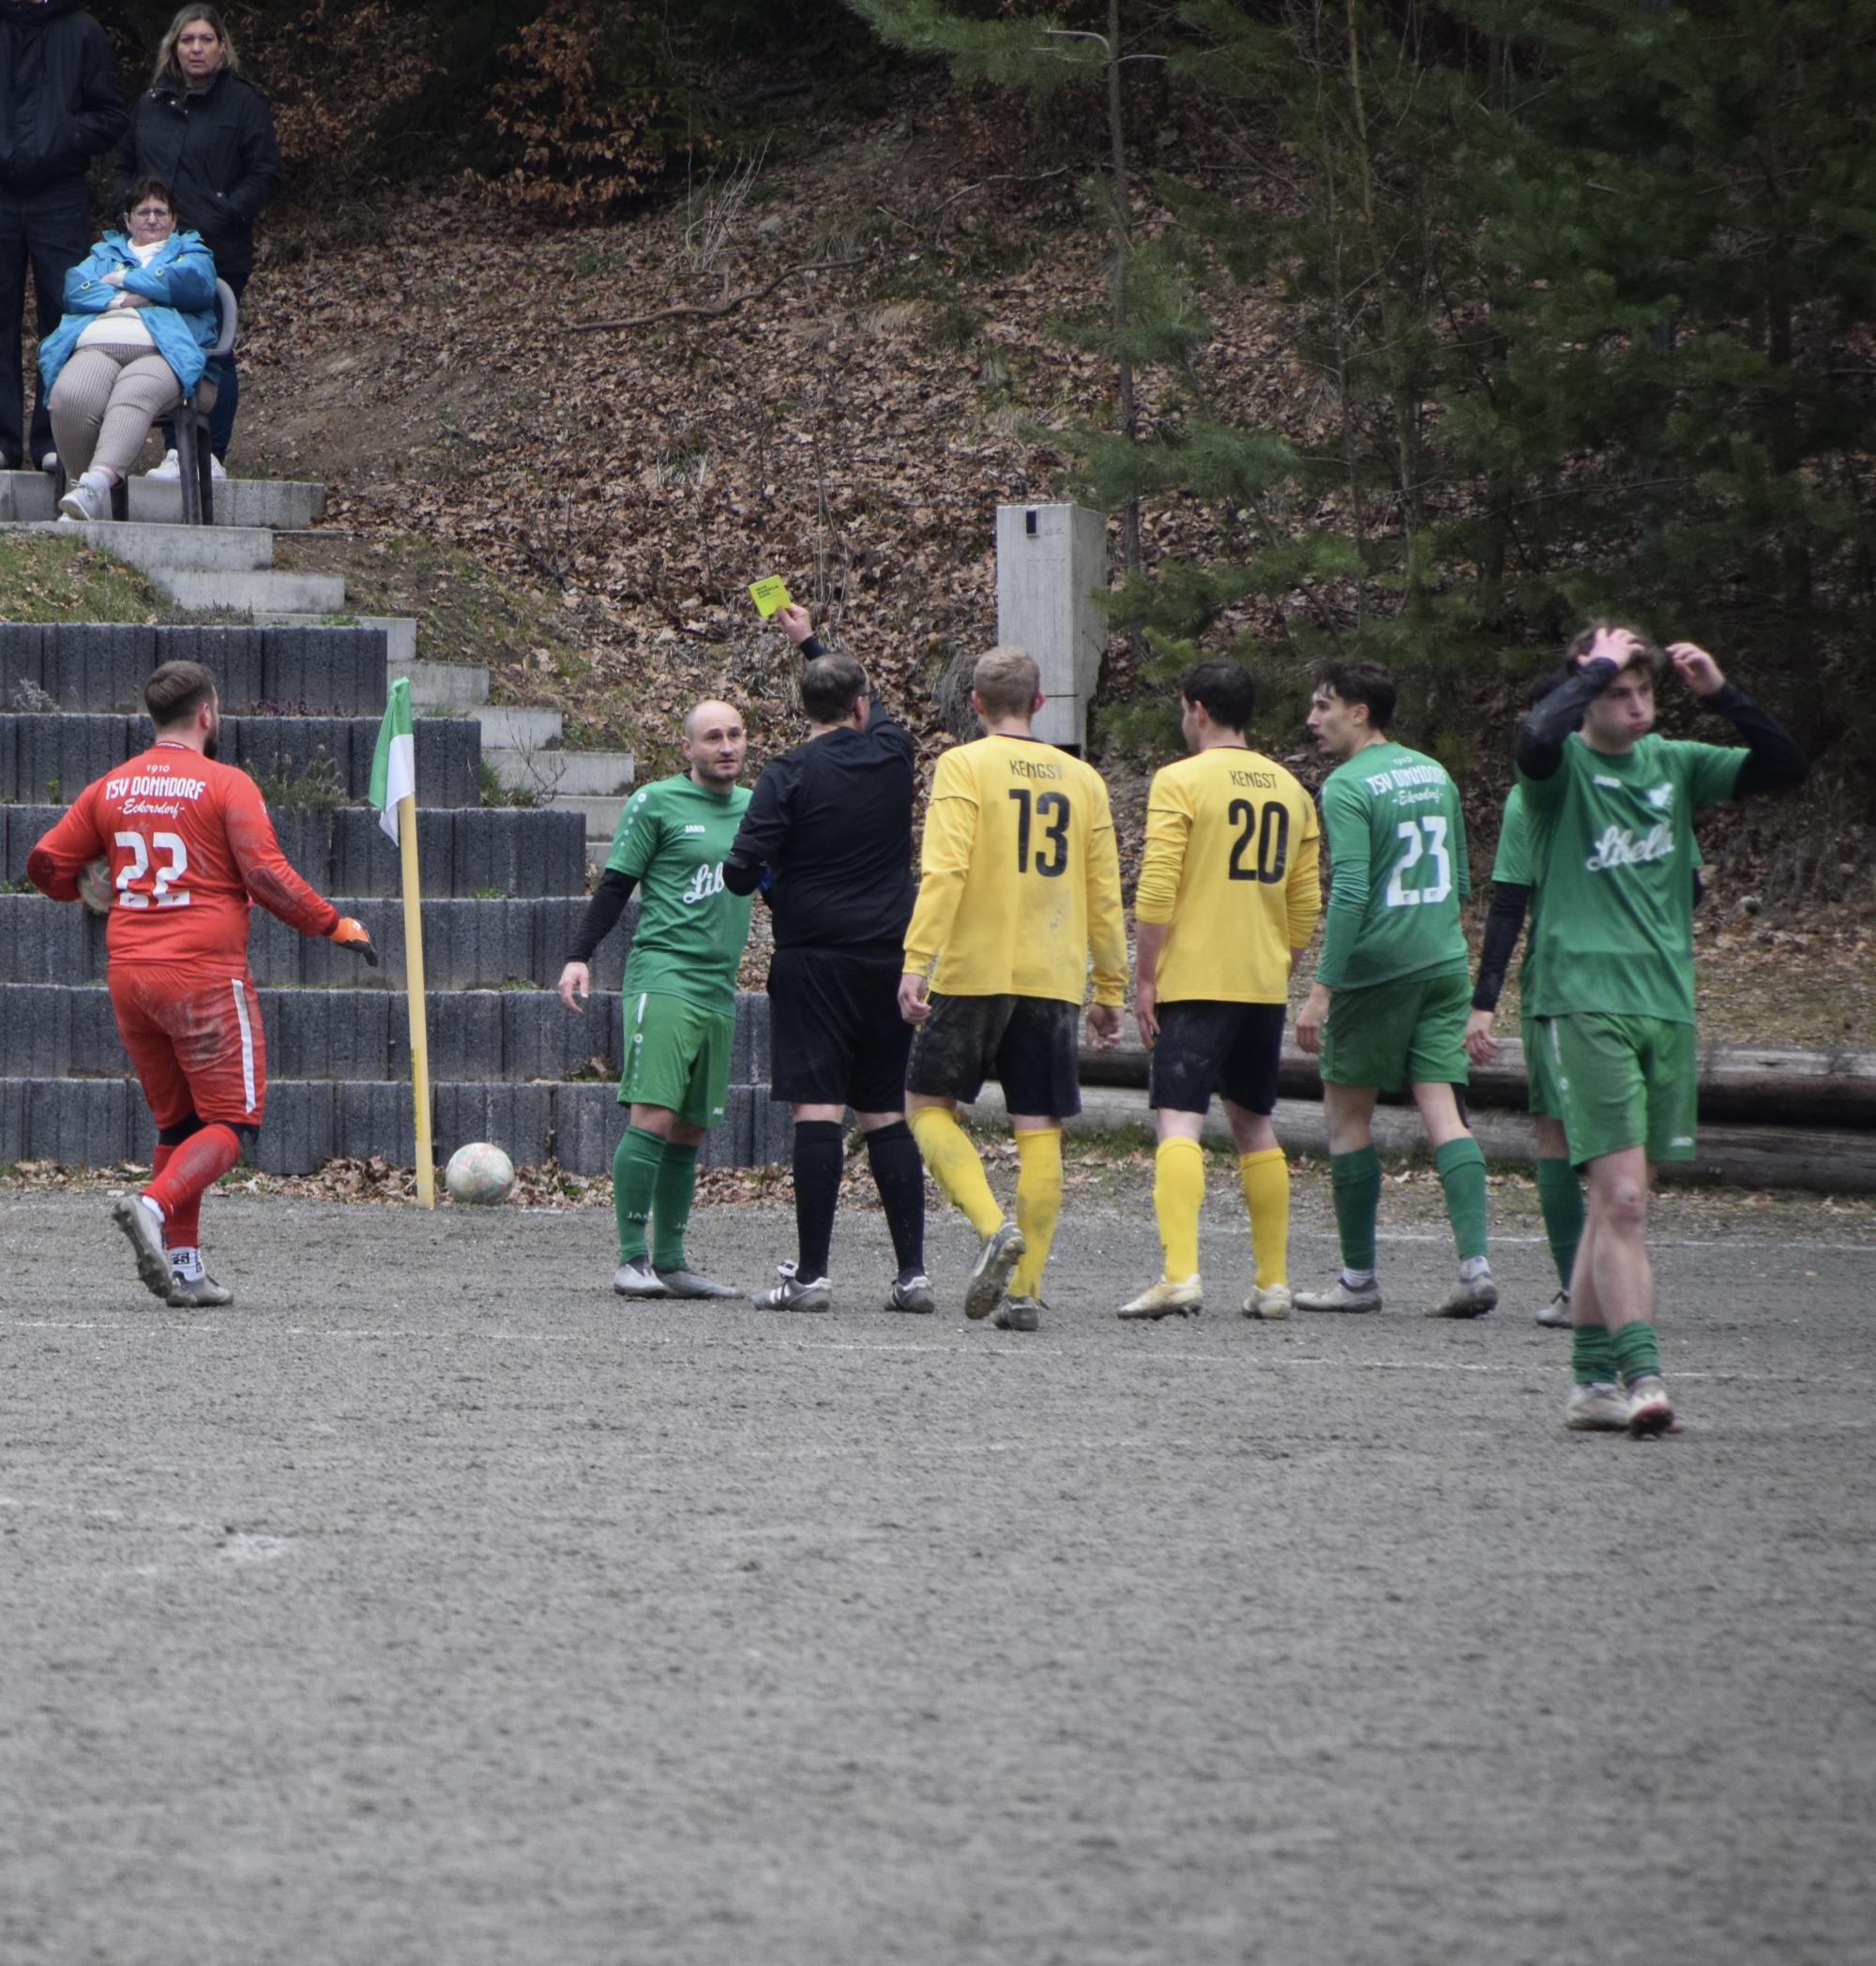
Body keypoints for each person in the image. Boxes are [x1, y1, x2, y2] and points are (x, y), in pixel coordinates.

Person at [1513, 624, 1807, 1436]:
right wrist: (1592, 667)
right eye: (1617, 692)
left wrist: (1720, 694)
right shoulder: (1560, 769)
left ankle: (1588, 1386)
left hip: (1665, 1005)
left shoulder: (1675, 763)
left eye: (1645, 691)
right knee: (1627, 1200)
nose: (1637, 706)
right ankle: (1642, 1376)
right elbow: (1536, 734)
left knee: (1616, 1207)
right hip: (1584, 999)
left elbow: (1786, 767)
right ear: (1587, 693)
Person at [25, 659, 377, 1306]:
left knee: (178, 1125)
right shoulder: (226, 783)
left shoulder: (113, 785)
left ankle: (184, 1268)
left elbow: (45, 862)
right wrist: (336, 926)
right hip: (203, 980)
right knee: (233, 1124)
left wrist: (79, 886)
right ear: (208, 714)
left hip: (130, 977)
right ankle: (153, 1208)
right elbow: (267, 877)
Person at [898, 645, 1127, 1333]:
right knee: (1038, 1126)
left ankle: (995, 1228)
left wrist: (917, 961)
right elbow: (1103, 891)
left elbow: (944, 873)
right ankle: (1024, 1291)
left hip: (975, 966)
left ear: (973, 704)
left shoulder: (963, 765)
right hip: (1054, 972)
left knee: (924, 1106)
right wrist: (1109, 983)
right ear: (1041, 703)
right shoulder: (1082, 778)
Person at [722, 603, 930, 1315]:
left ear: (800, 707)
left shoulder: (786, 774)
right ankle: (912, 1276)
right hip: (888, 957)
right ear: (862, 706)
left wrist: (776, 875)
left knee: (819, 1110)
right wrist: (811, 639)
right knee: (884, 1110)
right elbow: (882, 707)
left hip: (812, 960)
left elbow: (740, 872)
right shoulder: (894, 754)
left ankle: (811, 1275)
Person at [1467, 772, 1711, 1330]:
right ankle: (1614, 1289)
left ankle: (1580, 1293)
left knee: (1556, 1133)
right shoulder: (1656, 787)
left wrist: (1483, 1000)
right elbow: (1691, 886)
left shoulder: (1535, 792)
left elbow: (1509, 902)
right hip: (1653, 987)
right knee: (1630, 1154)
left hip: (1568, 987)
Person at [1292, 661, 1497, 1318]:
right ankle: (1475, 1266)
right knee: (1444, 1111)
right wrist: (1447, 945)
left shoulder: (1347, 786)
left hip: (1377, 970)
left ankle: (1358, 1280)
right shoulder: (1432, 771)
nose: (1312, 720)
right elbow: (1463, 877)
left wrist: (1322, 990)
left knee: (1347, 1117)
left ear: (1360, 711)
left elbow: (1350, 889)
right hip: (1442, 962)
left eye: (1324, 707)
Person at [1119, 659, 1321, 1322]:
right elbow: (1303, 903)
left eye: (1183, 707)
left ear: (1198, 708)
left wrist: (1144, 976)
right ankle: (1273, 1282)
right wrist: (1277, 965)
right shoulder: (1291, 789)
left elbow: (1156, 890)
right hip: (1261, 981)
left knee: (1178, 1116)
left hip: (1196, 975)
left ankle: (1180, 1273)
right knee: (1255, 1124)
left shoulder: (1179, 780)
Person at [559, 700, 754, 1302]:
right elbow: (616, 885)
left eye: (736, 735)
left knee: (691, 1128)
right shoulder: (656, 802)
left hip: (719, 986)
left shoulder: (757, 808)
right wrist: (579, 955)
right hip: (663, 976)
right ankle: (630, 1258)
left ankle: (671, 1261)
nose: (726, 746)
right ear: (687, 747)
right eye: (713, 737)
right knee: (656, 1114)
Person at [114, 3, 279, 473]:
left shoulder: (245, 103)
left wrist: (226, 211)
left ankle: (211, 455)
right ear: (174, 47)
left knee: (213, 348)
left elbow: (265, 171)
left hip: (218, 251)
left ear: (222, 48)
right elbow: (124, 164)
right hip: (156, 253)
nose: (196, 48)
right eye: (187, 40)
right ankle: (175, 450)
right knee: (165, 347)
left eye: (206, 39)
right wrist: (127, 205)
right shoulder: (149, 104)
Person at [38, 175, 217, 522]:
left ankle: (96, 484)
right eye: (143, 211)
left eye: (161, 212)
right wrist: (134, 297)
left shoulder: (190, 252)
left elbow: (193, 285)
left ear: (174, 220)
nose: (152, 219)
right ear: (127, 219)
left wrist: (123, 279)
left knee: (131, 393)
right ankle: (84, 490)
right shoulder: (103, 253)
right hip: (97, 346)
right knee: (69, 396)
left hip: (163, 354)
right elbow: (76, 289)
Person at [0, 0, 127, 472]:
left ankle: (54, 440)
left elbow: (111, 115)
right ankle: (2, 440)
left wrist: (62, 135)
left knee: (65, 315)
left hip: (60, 193)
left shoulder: (83, 31)